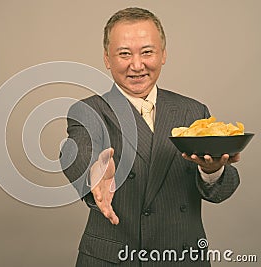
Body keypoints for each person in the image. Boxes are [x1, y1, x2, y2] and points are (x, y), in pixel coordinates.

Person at [60, 7, 240, 267]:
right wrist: (94, 174)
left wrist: (211, 171)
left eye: (147, 52)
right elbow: (77, 152)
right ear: (107, 59)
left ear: (163, 54)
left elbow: (221, 191)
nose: (137, 65)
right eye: (124, 54)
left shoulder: (193, 111)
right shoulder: (89, 110)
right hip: (114, 259)